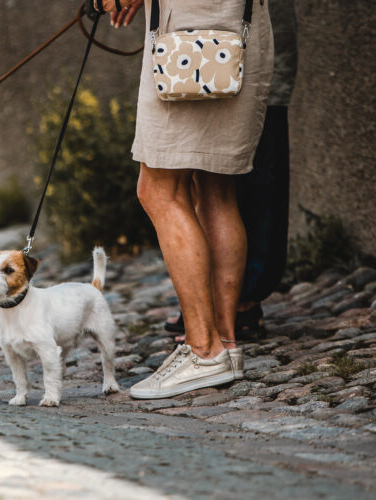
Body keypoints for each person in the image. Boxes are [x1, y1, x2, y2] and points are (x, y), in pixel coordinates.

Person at [100, 0, 275, 399]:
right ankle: (224, 346)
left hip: (193, 32)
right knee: (214, 188)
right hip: (236, 28)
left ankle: (203, 350)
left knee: (160, 189)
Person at [164, 0, 297, 340]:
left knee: (238, 180)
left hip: (235, 37)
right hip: (200, 44)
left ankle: (239, 304)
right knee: (207, 185)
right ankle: (215, 316)